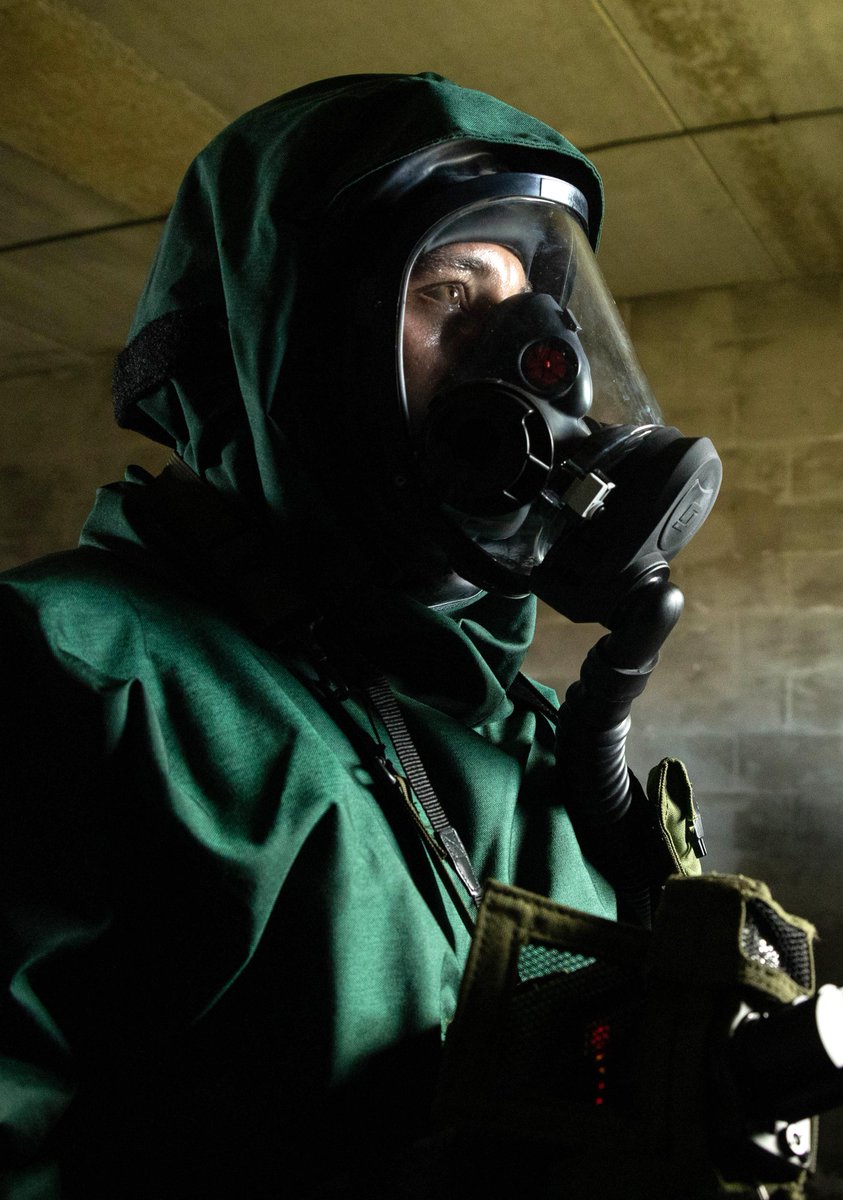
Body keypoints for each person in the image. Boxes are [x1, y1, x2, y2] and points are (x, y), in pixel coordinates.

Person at [0, 73, 717, 1197]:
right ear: (290, 348)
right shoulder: (71, 670)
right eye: (449, 293)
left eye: (536, 307)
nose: (538, 360)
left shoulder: (510, 727)